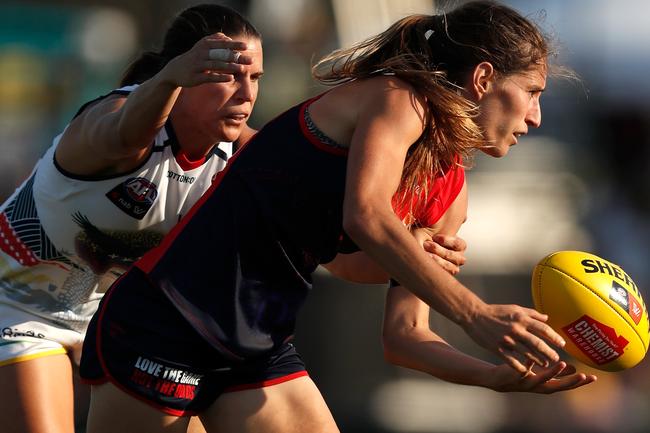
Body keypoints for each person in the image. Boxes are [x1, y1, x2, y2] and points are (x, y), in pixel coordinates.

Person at [80, 2, 597, 432]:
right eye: (533, 92)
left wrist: (491, 376)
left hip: (253, 343)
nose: (536, 117)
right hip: (167, 320)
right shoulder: (399, 100)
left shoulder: (450, 194)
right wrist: (474, 313)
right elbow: (366, 218)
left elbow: (404, 336)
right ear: (484, 77)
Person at [0, 4, 264, 433]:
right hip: (17, 307)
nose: (246, 94)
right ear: (187, 73)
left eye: (255, 78)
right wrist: (168, 77)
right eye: (231, 76)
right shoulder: (111, 119)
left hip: (118, 321)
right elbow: (126, 133)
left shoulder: (241, 152)